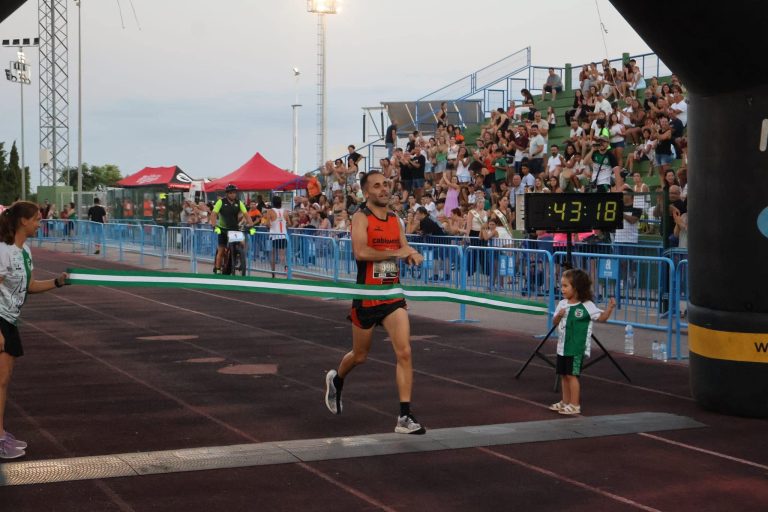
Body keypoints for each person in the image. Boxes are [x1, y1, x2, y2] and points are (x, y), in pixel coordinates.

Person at [324, 171, 427, 435]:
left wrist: (412, 255)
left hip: (392, 294)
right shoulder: (361, 217)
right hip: (367, 296)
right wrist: (396, 252)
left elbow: (404, 247)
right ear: (366, 192)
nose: (383, 189)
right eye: (377, 186)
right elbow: (360, 252)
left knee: (404, 352)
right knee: (360, 356)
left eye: (386, 184)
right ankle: (337, 379)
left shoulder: (395, 219)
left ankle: (404, 417)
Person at [0, 201, 69, 459]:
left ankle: (0, 434)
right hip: (0, 320)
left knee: (3, 382)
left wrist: (57, 283)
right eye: (37, 220)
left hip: (10, 320)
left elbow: (30, 286)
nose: (40, 224)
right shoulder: (3, 251)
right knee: (0, 382)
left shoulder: (25, 251)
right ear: (23, 222)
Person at [549, 269, 615, 416]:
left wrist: (609, 309)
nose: (562, 289)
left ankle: (575, 404)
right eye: (562, 286)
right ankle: (565, 401)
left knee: (572, 375)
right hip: (562, 347)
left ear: (577, 288)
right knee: (563, 375)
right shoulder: (562, 304)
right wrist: (559, 316)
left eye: (566, 286)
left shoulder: (587, 306)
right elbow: (554, 322)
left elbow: (602, 318)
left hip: (576, 348)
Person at [210, 184, 256, 274]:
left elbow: (246, 215)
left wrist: (251, 226)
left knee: (242, 243)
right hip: (223, 229)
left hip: (234, 229)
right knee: (221, 250)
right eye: (230, 193)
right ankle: (218, 269)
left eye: (234, 193)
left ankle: (238, 258)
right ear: (227, 194)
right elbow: (214, 214)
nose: (232, 195)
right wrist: (214, 225)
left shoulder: (239, 203)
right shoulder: (221, 202)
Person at [263, 195, 292, 277]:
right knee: (282, 256)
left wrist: (267, 225)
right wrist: (283, 226)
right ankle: (286, 270)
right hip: (283, 235)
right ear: (280, 203)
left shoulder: (270, 211)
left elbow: (267, 224)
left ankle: (273, 273)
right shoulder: (285, 211)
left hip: (274, 236)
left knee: (272, 255)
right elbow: (289, 223)